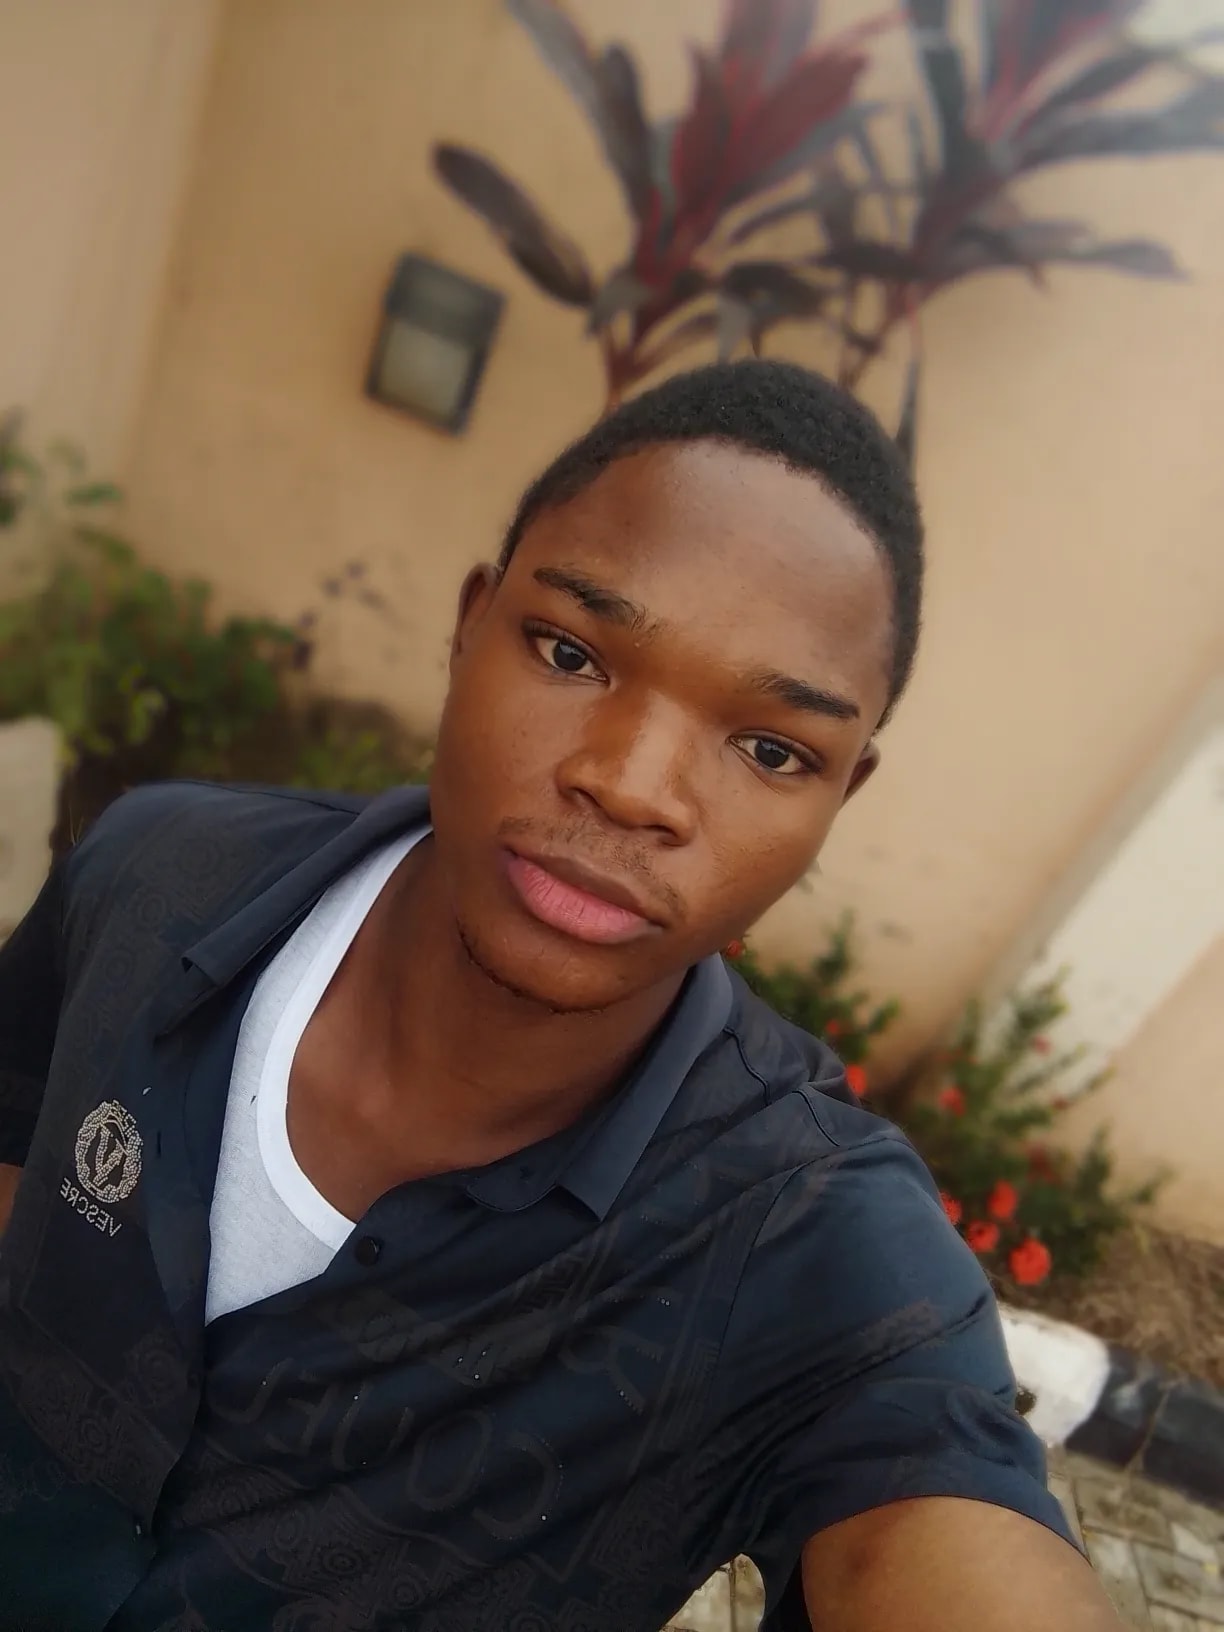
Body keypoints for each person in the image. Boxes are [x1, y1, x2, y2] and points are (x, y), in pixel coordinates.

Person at [0, 360, 1123, 1632]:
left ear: (841, 795)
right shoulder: (152, 876)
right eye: (571, 652)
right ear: (471, 625)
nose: (632, 785)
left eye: (770, 749)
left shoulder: (812, 1248)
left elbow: (936, 1527)